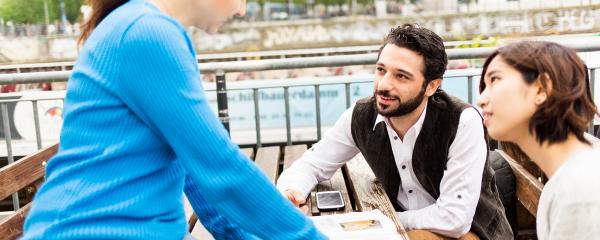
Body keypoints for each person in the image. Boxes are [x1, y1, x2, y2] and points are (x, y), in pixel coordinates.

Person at [21, 0, 326, 239]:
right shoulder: (147, 33)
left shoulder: (148, 28)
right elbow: (222, 169)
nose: (241, 10)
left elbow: (198, 173)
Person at [277, 24, 512, 240]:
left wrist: (379, 220)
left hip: (473, 232)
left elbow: (454, 219)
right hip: (406, 228)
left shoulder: (462, 121)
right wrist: (290, 192)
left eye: (401, 76)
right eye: (381, 70)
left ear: (432, 86)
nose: (384, 84)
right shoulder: (361, 115)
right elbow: (312, 163)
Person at [477, 41, 600, 240]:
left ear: (542, 89)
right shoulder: (571, 177)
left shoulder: (579, 190)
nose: (481, 99)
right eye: (484, 86)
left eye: (495, 80)